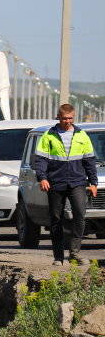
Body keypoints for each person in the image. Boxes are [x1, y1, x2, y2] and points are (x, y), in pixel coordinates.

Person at [32, 104, 98, 266]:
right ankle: (58, 256)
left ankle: (74, 253)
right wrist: (42, 178)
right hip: (56, 182)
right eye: (64, 118)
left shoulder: (82, 135)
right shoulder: (49, 136)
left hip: (77, 182)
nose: (67, 121)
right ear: (58, 117)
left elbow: (89, 161)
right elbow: (40, 160)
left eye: (70, 118)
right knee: (56, 219)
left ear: (73, 118)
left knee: (80, 216)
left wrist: (94, 182)